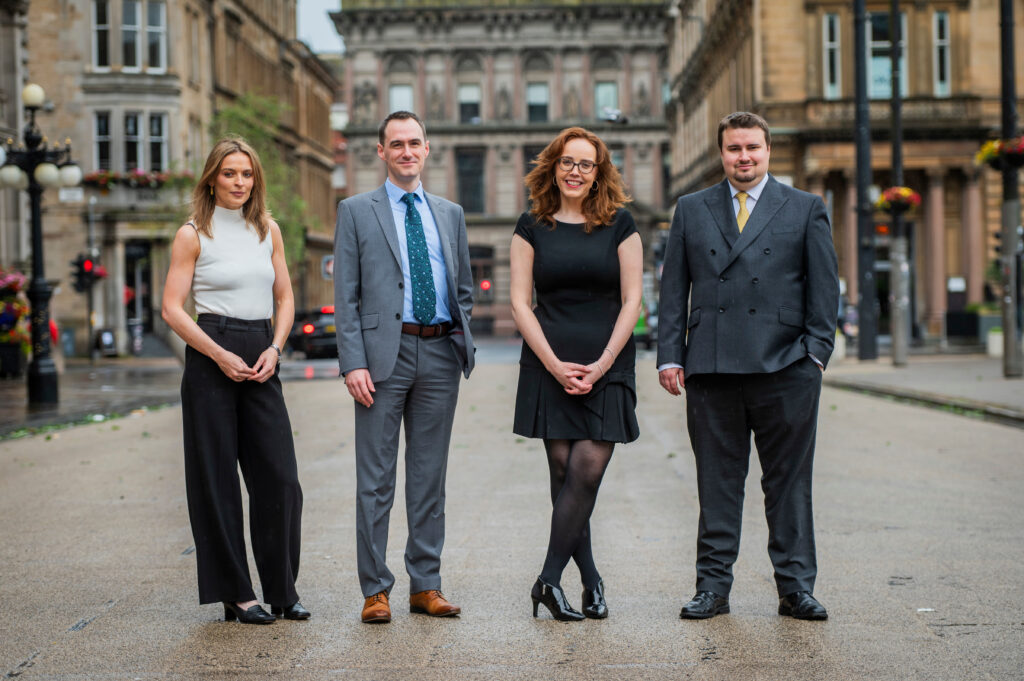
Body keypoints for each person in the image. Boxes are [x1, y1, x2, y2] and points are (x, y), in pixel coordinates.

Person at [657, 112, 839, 621]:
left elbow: (825, 290)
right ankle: (712, 588)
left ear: (767, 151)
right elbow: (674, 289)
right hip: (712, 366)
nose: (744, 157)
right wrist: (671, 355)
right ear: (722, 154)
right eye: (735, 149)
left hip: (786, 366)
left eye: (753, 148)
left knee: (788, 483)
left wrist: (816, 356)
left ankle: (795, 588)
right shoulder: (692, 208)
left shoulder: (805, 207)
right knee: (716, 482)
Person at [334, 111, 475, 624]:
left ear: (427, 148)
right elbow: (345, 296)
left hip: (439, 354)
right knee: (375, 480)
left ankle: (426, 585)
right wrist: (353, 362)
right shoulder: (355, 211)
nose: (407, 152)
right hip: (379, 361)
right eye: (397, 144)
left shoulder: (450, 213)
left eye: (414, 142)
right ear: (381, 152)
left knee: (428, 477)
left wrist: (462, 338)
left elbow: (461, 289)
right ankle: (375, 590)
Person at [162, 137, 307, 624]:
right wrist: (219, 353)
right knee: (216, 479)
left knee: (281, 478)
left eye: (246, 174)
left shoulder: (268, 229)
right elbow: (172, 308)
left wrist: (276, 347)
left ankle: (283, 590)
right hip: (212, 353)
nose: (239, 182)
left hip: (262, 351)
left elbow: (284, 297)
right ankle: (237, 594)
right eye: (229, 174)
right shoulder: (193, 234)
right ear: (211, 178)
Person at [511, 127, 643, 621]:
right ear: (553, 167)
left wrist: (604, 362)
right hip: (551, 363)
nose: (575, 171)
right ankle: (590, 581)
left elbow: (632, 300)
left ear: (598, 173)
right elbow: (521, 304)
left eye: (586, 164)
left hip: (606, 364)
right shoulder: (531, 226)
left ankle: (547, 579)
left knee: (586, 472)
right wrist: (554, 365)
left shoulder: (621, 225)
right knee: (565, 475)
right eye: (567, 161)